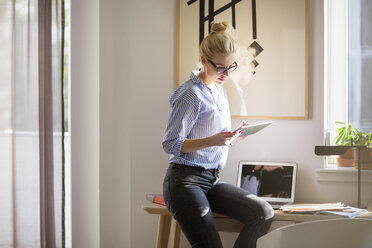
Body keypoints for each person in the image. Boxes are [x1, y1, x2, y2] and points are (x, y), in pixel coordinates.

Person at [162, 21, 274, 248]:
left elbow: (213, 138)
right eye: (220, 67)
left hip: (211, 180)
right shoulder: (189, 94)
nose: (225, 73)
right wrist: (213, 140)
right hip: (184, 182)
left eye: (230, 67)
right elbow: (170, 143)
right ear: (203, 60)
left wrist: (233, 137)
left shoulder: (219, 90)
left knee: (263, 212)